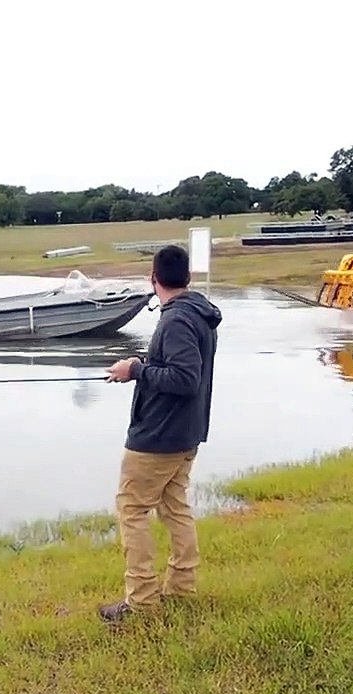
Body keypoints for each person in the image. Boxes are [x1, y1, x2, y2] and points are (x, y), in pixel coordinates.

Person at [99, 244, 223, 623]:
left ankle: (141, 602)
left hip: (158, 439)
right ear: (186, 277)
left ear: (154, 280)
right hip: (185, 434)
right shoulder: (197, 313)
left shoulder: (176, 321)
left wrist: (135, 370)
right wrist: (141, 367)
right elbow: (177, 369)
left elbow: (186, 378)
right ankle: (181, 588)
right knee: (174, 507)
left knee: (132, 510)